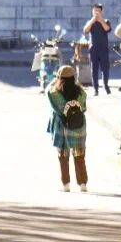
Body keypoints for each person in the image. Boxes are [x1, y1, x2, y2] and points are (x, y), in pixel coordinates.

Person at [47, 64, 88, 192]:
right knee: (79, 155)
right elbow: (84, 108)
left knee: (63, 156)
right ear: (73, 77)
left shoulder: (54, 94)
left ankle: (66, 185)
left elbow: (53, 102)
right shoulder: (81, 92)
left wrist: (54, 81)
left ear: (59, 78)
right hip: (78, 126)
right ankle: (83, 184)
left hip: (62, 128)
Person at [83, 4, 112, 95]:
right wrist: (93, 20)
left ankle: (106, 85)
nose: (96, 13)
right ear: (92, 11)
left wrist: (101, 20)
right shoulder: (90, 22)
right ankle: (95, 88)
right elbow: (85, 30)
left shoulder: (106, 21)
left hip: (103, 48)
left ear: (101, 12)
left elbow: (107, 29)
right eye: (95, 11)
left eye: (98, 11)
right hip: (93, 49)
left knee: (105, 69)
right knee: (94, 69)